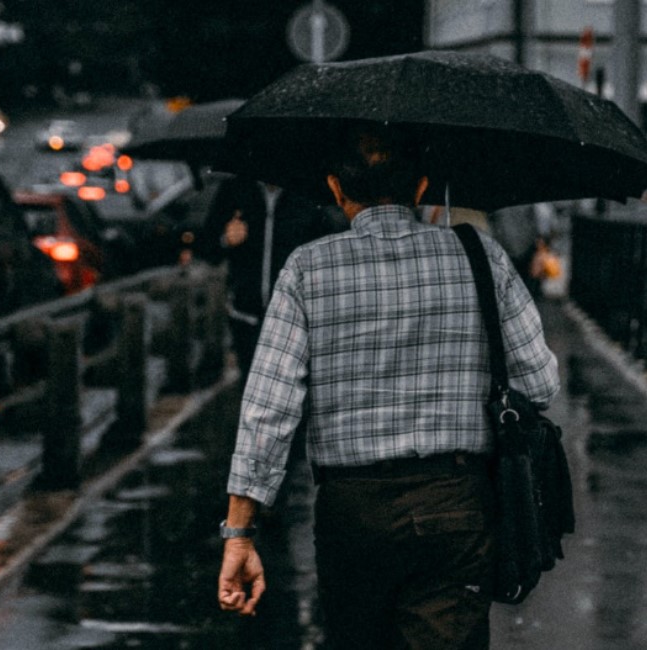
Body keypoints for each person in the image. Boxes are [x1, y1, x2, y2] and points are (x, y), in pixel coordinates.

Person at [216, 124, 560, 648]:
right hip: (456, 502)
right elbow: (540, 382)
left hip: (352, 511)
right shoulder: (480, 256)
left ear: (335, 188)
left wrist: (240, 532)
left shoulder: (307, 269)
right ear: (421, 187)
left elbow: (269, 408)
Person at [200, 175, 345, 378]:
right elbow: (208, 249)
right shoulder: (235, 190)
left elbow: (329, 247)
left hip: (294, 319)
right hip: (247, 316)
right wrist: (226, 239)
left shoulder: (305, 195)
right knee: (253, 392)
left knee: (292, 392)